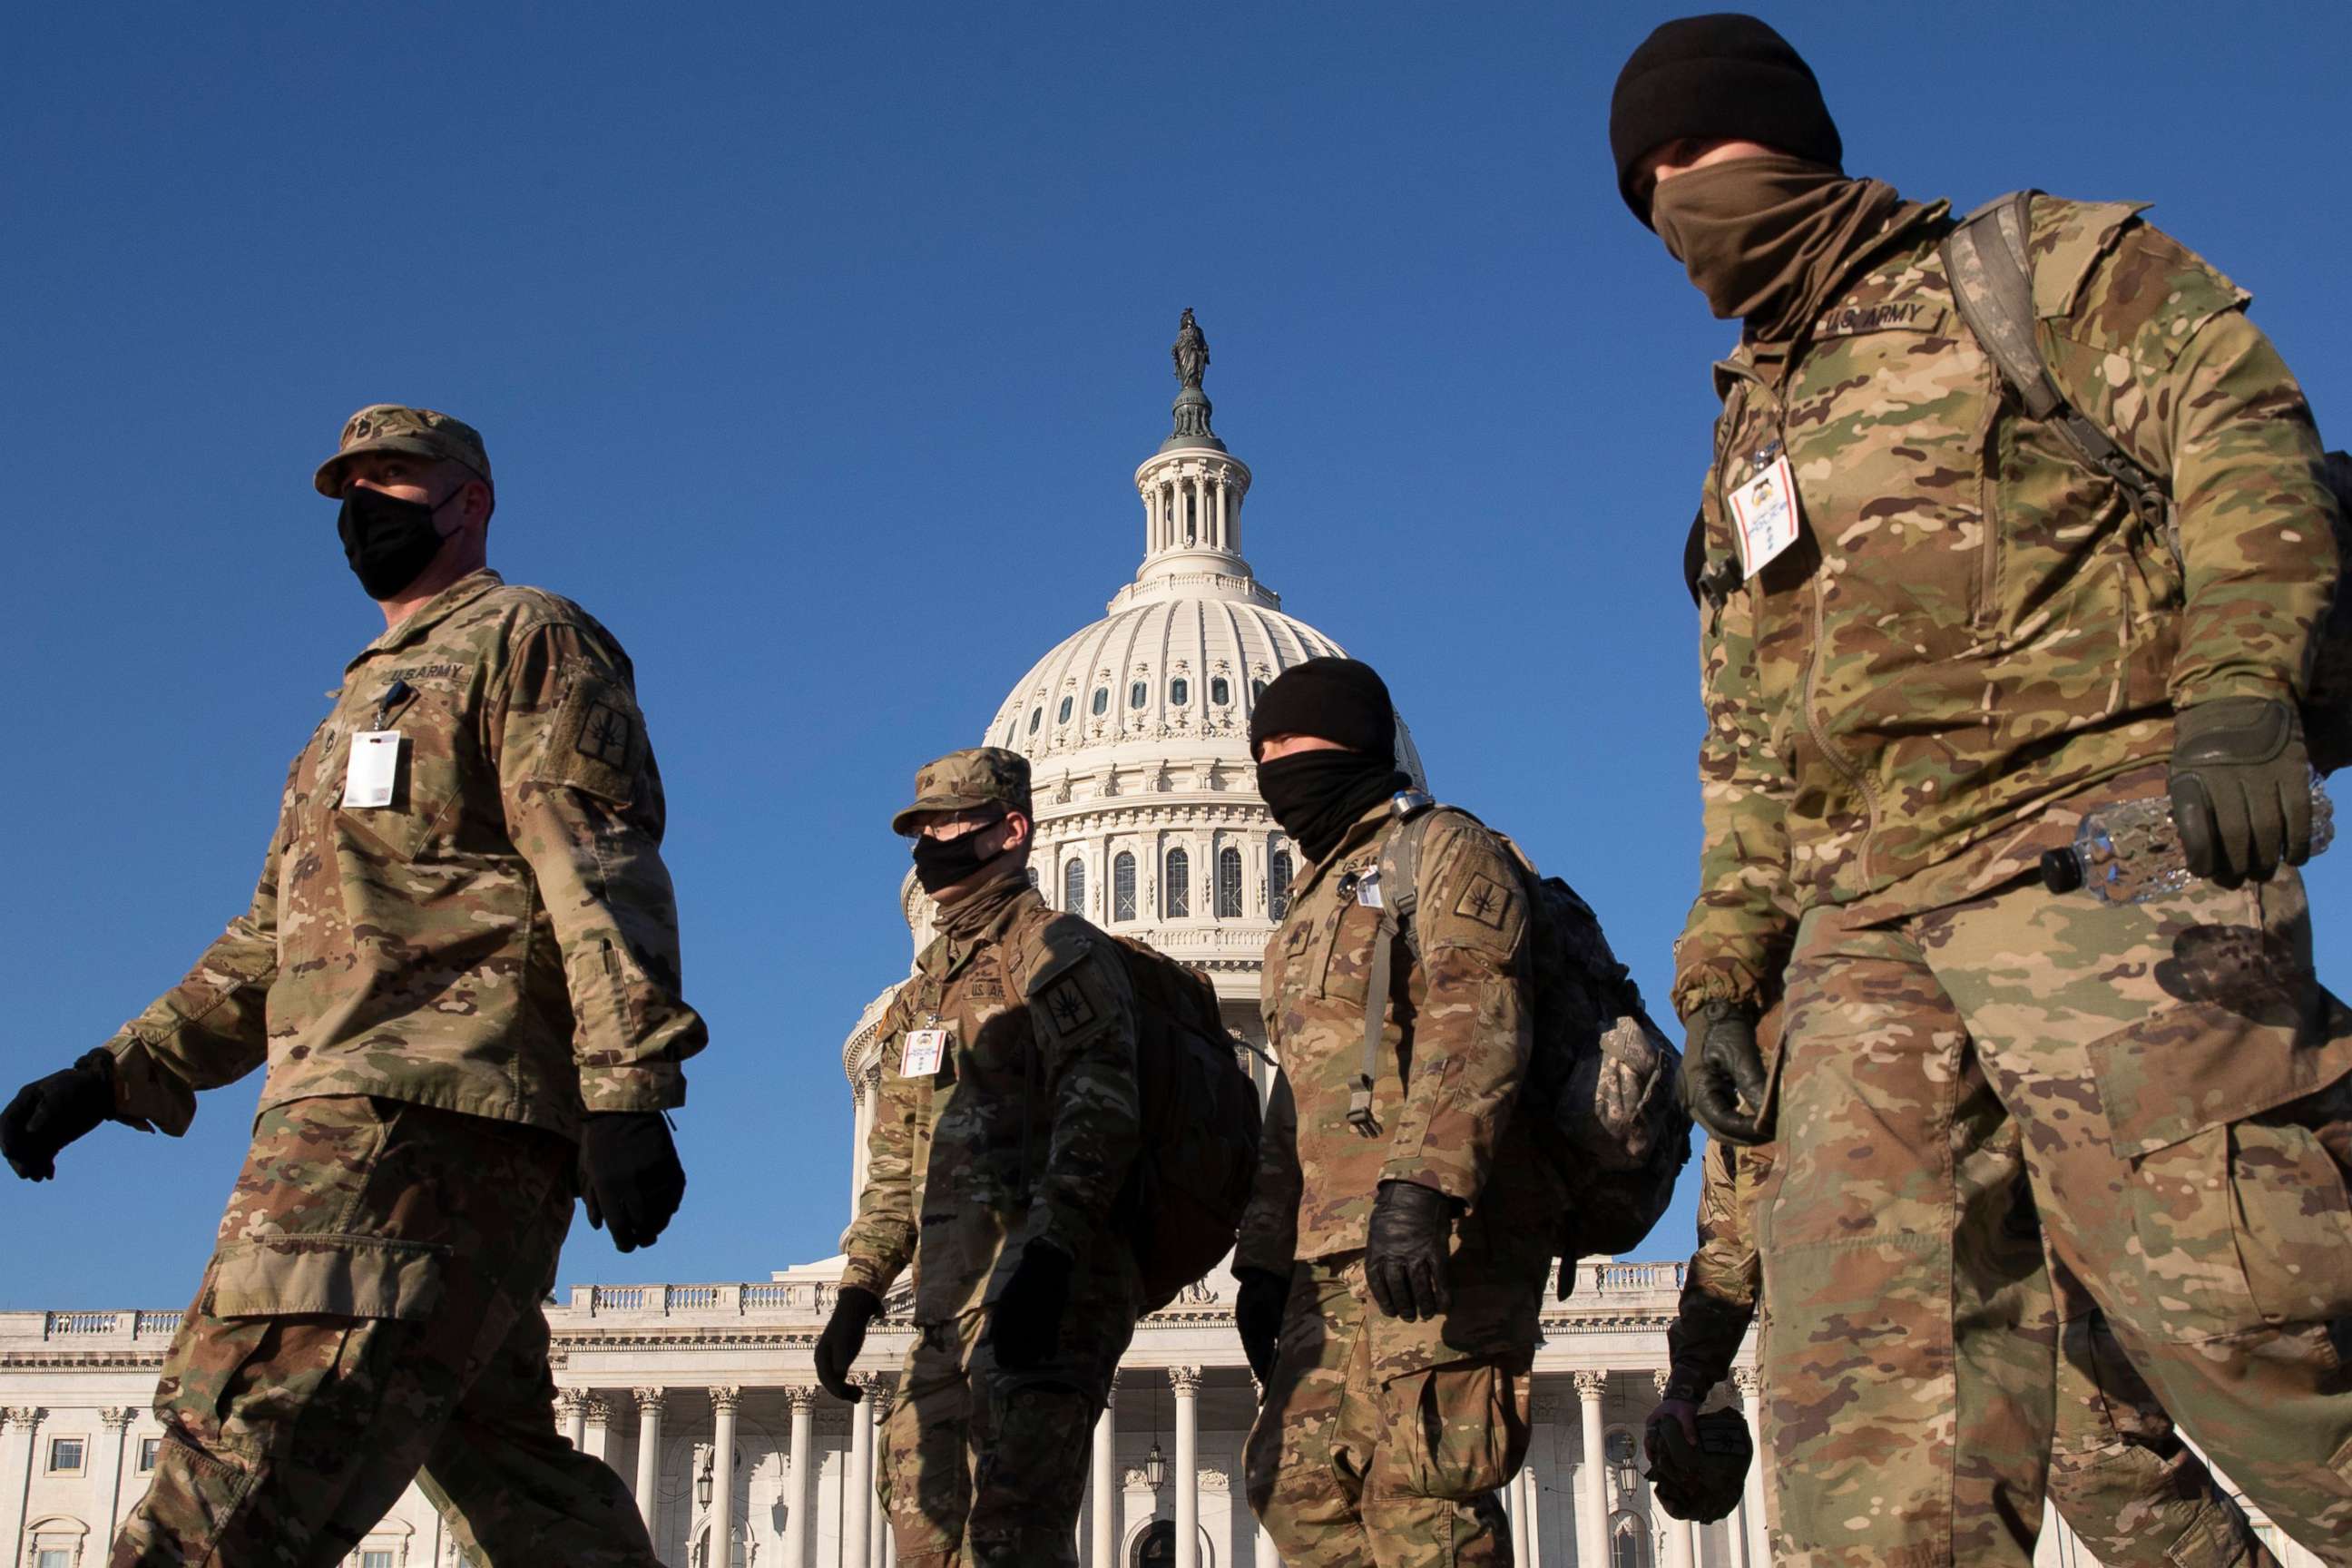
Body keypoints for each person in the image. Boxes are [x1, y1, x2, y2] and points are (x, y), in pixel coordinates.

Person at [1612, 14, 2352, 1563]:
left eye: (1693, 151)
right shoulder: (1737, 443)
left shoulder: (2031, 273)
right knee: (1871, 1438)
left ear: (1787, 135)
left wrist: (2237, 687)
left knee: (2265, 1329)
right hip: (1866, 946)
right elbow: (1746, 754)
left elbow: (2235, 428)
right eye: (1646, 184)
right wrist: (1721, 979)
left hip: (2101, 855)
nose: (1676, 199)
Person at [0, 403, 703, 1566]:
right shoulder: (355, 698)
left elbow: (596, 862)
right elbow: (281, 933)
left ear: (468, 501)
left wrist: (629, 1084)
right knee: (521, 1487)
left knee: (233, 1460)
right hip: (370, 1110)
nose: (366, 510)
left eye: (396, 481)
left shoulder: (528, 639)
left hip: (411, 1118)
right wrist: (111, 1074)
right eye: (350, 491)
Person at [1234, 656, 1561, 1568]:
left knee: (1426, 1504)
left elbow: (1481, 1018)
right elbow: (1293, 1099)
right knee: (1293, 1488)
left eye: (1288, 741)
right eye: (1261, 746)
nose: (1270, 762)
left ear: (1355, 743)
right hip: (1327, 1250)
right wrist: (1263, 1257)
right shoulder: (1307, 907)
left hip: (1437, 1236)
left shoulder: (1446, 850)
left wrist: (1423, 1187)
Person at [1651, 1112, 2278, 1564]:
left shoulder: (1948, 968)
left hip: (2025, 1326)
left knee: (2152, 1528)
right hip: (1842, 1387)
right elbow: (1729, 1253)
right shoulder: (1746, 1071)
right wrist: (1687, 1386)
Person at [815, 746, 1144, 1568]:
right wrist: (858, 1289)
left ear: (1011, 831)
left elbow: (1101, 1113)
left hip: (1038, 1292)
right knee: (926, 1543)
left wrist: (1055, 1254)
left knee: (1011, 1540)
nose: (931, 843)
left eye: (953, 823)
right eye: (921, 828)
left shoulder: (1055, 951)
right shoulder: (925, 989)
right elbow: (898, 1158)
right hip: (942, 1309)